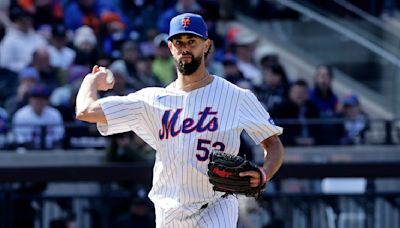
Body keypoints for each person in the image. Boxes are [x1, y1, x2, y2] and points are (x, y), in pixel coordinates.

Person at [76, 13, 285, 227]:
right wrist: (91, 80)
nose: (185, 48)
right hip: (169, 210)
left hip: (216, 206)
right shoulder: (151, 100)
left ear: (206, 45)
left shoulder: (237, 96)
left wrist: (264, 173)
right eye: (179, 42)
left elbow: (273, 145)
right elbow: (85, 111)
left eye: (192, 41)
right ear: (170, 47)